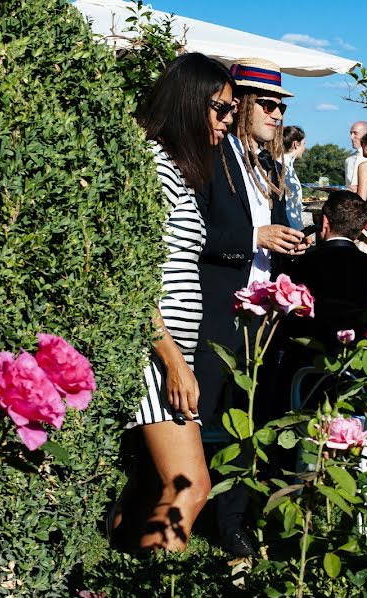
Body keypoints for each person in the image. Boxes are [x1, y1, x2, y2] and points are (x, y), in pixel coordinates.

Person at [112, 53, 236, 552]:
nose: (229, 120)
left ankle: (120, 577)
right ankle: (157, 582)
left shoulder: (178, 171)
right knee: (190, 485)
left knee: (149, 489)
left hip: (169, 351)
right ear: (190, 103)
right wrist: (173, 362)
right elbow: (135, 276)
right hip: (156, 353)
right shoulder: (155, 169)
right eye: (221, 109)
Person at [194, 57, 306, 557]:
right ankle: (182, 504)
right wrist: (253, 236)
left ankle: (231, 521)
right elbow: (191, 233)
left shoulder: (271, 166)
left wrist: (290, 248)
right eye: (268, 103)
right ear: (238, 104)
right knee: (203, 413)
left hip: (262, 315)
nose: (277, 113)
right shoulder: (210, 155)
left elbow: (272, 232)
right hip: (216, 306)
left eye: (281, 105)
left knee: (248, 414)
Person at [284, 190, 367, 346]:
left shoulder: (299, 266)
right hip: (359, 357)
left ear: (325, 222)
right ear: (360, 228)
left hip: (305, 357)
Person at [283, 125, 307, 231]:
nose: (305, 148)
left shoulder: (289, 166)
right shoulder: (283, 168)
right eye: (304, 144)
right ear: (296, 144)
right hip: (289, 227)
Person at [344, 121, 367, 192]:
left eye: (355, 133)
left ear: (366, 135)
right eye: (351, 133)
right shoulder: (349, 160)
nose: (351, 137)